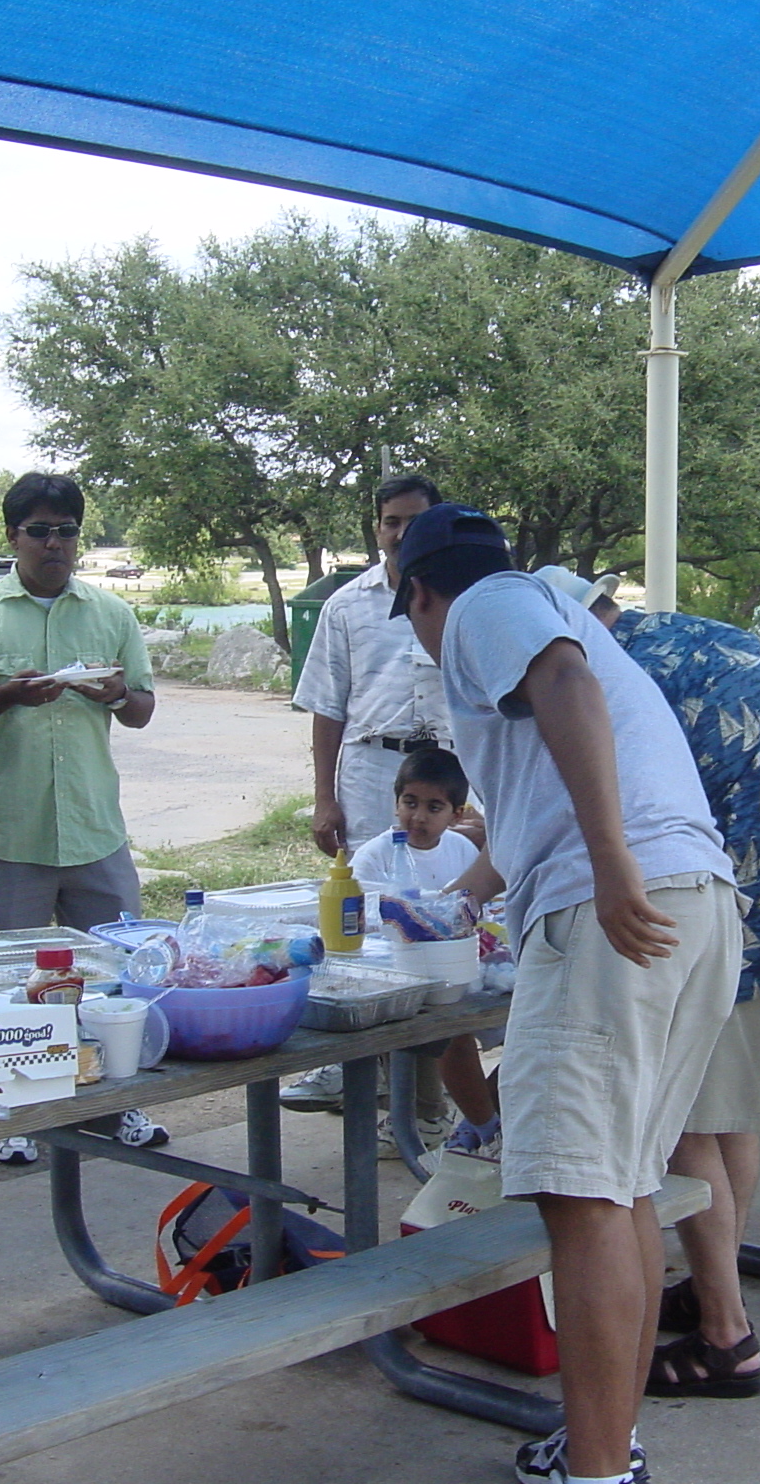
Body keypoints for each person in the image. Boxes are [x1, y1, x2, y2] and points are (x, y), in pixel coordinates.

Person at [397, 505, 739, 1484]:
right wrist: (461, 901)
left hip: (613, 907)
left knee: (581, 1195)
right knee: (620, 1190)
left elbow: (561, 684)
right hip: (693, 901)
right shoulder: (548, 605)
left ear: (419, 591)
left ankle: (595, 1474)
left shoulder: (485, 607)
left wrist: (608, 859)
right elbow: (525, 805)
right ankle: (604, 1446)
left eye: (409, 613)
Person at [536, 563, 760, 1401]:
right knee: (728, 1120)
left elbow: (618, 810)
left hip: (746, 909)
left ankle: (726, 1335)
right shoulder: (699, 636)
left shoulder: (621, 676)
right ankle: (714, 1279)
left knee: (686, 1120)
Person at [0, 473, 166, 1158]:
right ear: (12, 537)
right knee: (8, 985)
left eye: (66, 530)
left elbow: (143, 708)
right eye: (39, 530)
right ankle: (12, 1117)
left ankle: (120, 1104)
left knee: (118, 979)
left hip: (94, 827)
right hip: (11, 830)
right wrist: (7, 695)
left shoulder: (110, 614)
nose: (54, 543)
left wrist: (119, 693)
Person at [284, 473, 451, 1117]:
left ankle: (424, 1100)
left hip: (448, 778)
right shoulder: (346, 605)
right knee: (362, 924)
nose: (401, 533)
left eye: (414, 520)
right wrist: (324, 798)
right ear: (375, 528)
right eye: (390, 522)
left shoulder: (460, 600)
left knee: (443, 919)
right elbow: (327, 707)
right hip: (370, 773)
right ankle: (350, 1067)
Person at [346, 747, 499, 1150]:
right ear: (395, 802)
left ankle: (481, 1123)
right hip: (398, 965)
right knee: (435, 1031)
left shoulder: (464, 851)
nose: (418, 817)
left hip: (455, 964)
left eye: (434, 807)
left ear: (457, 813)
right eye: (409, 803)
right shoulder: (374, 855)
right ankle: (426, 1117)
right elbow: (367, 917)